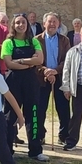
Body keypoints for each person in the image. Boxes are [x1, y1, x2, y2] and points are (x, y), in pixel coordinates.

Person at [1, 13, 46, 160]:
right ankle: (7, 150)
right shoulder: (8, 43)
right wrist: (28, 63)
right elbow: (9, 63)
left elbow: (39, 60)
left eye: (23, 22)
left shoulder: (34, 41)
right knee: (10, 115)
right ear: (13, 25)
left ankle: (35, 150)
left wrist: (20, 61)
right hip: (13, 82)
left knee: (33, 114)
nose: (21, 25)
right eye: (18, 23)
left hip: (31, 82)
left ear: (27, 25)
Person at [35, 12, 71, 147]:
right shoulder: (36, 40)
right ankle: (40, 135)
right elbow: (34, 61)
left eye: (55, 22)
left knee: (63, 108)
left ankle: (63, 136)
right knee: (40, 108)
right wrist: (45, 71)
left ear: (59, 24)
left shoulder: (64, 40)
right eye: (49, 22)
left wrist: (55, 71)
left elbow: (67, 60)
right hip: (41, 78)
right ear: (44, 24)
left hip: (60, 77)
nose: (52, 24)